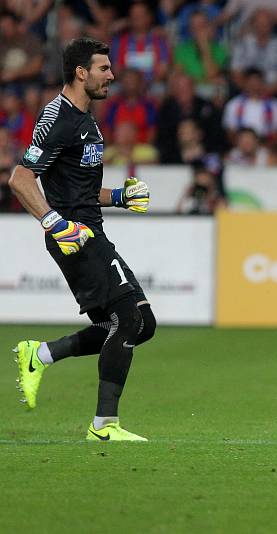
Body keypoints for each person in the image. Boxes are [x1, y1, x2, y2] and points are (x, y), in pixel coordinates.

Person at [8, 38, 156, 442]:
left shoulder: (87, 121)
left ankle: (40, 355)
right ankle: (104, 427)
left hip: (90, 229)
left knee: (140, 325)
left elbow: (80, 192)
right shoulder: (58, 118)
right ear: (81, 72)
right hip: (75, 237)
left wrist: (121, 197)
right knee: (128, 319)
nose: (112, 75)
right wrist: (55, 223)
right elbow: (20, 178)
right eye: (104, 68)